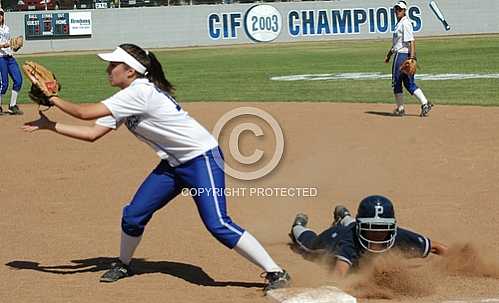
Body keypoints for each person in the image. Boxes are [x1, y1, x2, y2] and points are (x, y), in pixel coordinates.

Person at [22, 43, 290, 292]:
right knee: (134, 214)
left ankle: (276, 272)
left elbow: (84, 113)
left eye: (113, 65)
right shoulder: (128, 96)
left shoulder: (140, 92)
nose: (108, 69)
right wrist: (50, 126)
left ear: (130, 71)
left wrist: (53, 98)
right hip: (173, 164)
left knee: (217, 223)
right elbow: (93, 133)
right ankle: (124, 264)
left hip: (201, 159)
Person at [289, 195, 448, 276]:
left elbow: (435, 247)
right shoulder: (349, 241)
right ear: (361, 226)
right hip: (337, 235)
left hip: (355, 225)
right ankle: (299, 227)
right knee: (310, 247)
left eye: (382, 228)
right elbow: (338, 276)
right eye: (371, 228)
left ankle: (344, 216)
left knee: (356, 224)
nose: (377, 233)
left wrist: (458, 259)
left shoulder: (400, 236)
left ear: (392, 226)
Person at [384, 1, 433, 117]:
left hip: (402, 56)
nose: (397, 11)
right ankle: (425, 103)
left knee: (396, 82)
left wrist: (412, 58)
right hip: (401, 54)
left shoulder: (405, 23)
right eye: (396, 9)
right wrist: (388, 55)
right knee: (408, 83)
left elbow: (411, 41)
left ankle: (400, 109)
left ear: (405, 10)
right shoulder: (400, 23)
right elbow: (397, 44)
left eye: (400, 9)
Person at [0, 8, 23, 115]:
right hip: (0, 58)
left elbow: (10, 45)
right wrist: (5, 45)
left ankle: (12, 106)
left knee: (18, 80)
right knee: (4, 84)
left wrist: (15, 47)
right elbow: (5, 44)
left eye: (1, 14)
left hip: (9, 57)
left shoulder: (6, 28)